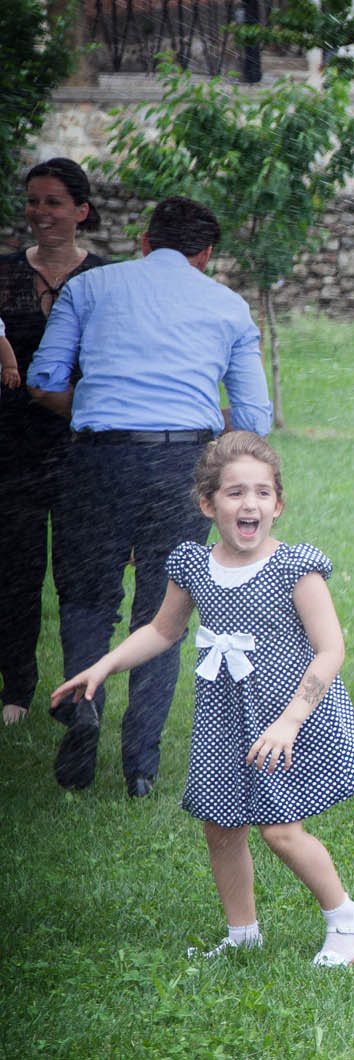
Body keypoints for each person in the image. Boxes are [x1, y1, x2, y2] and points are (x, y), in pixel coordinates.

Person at [51, 433, 354, 965]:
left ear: (278, 504)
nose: (249, 504)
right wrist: (104, 663)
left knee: (280, 830)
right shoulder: (193, 567)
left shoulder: (297, 568)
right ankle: (242, 934)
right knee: (221, 826)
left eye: (262, 493)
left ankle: (348, 919)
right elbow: (162, 630)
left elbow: (331, 650)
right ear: (207, 504)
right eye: (234, 493)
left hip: (290, 715)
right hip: (226, 717)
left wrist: (290, 721)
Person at [27, 194, 272, 797]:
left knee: (86, 601)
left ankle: (81, 713)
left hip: (97, 457)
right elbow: (253, 418)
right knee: (163, 612)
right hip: (182, 464)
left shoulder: (90, 288)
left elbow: (43, 378)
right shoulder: (230, 306)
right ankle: (140, 767)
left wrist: (98, 411)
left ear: (145, 241)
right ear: (206, 255)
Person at [0, 158, 109, 726]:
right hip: (10, 445)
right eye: (34, 201)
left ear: (81, 212)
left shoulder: (106, 279)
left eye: (54, 203)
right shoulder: (3, 273)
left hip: (80, 445)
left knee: (78, 575)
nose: (41, 213)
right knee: (15, 572)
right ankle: (15, 688)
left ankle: (76, 694)